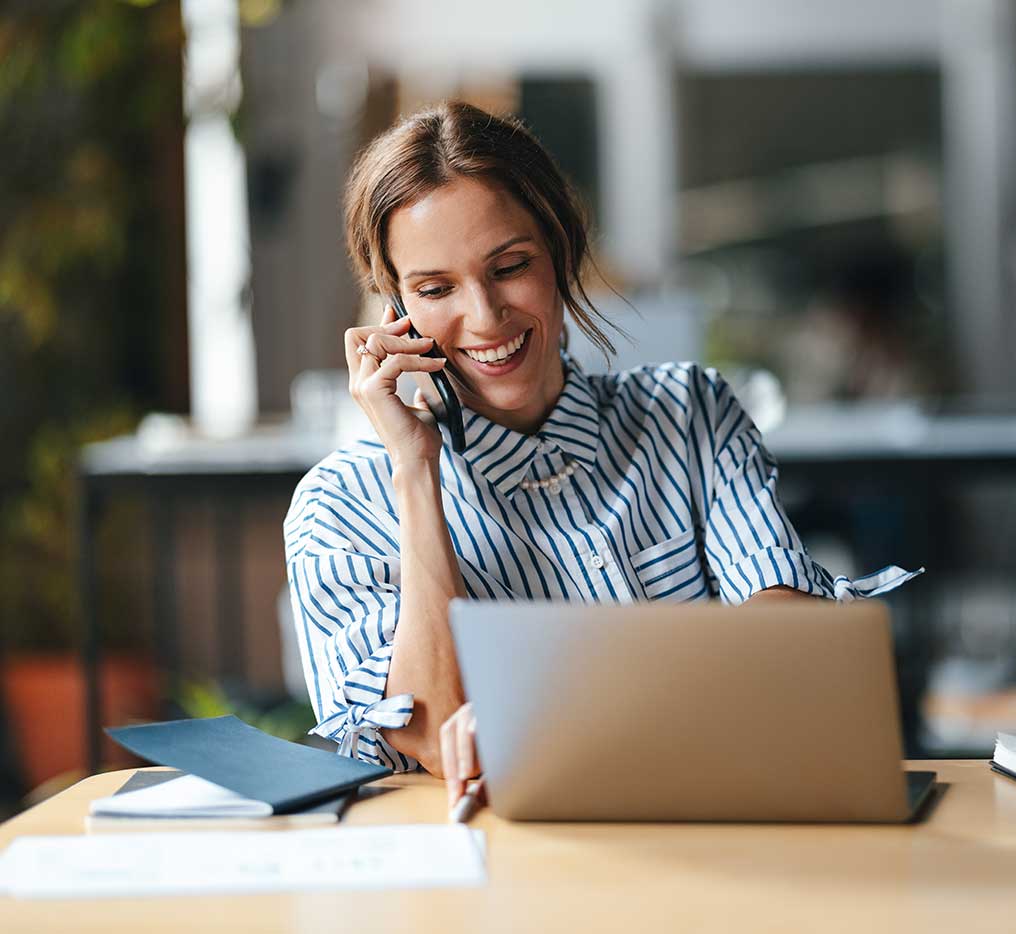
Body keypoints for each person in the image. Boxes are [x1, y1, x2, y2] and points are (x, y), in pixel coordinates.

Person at [283, 101, 920, 811]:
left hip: (715, 851)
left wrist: (545, 720)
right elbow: (431, 738)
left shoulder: (690, 415)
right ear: (394, 309)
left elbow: (788, 646)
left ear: (561, 251)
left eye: (510, 266)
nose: (486, 317)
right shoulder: (340, 506)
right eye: (436, 289)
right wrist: (415, 469)